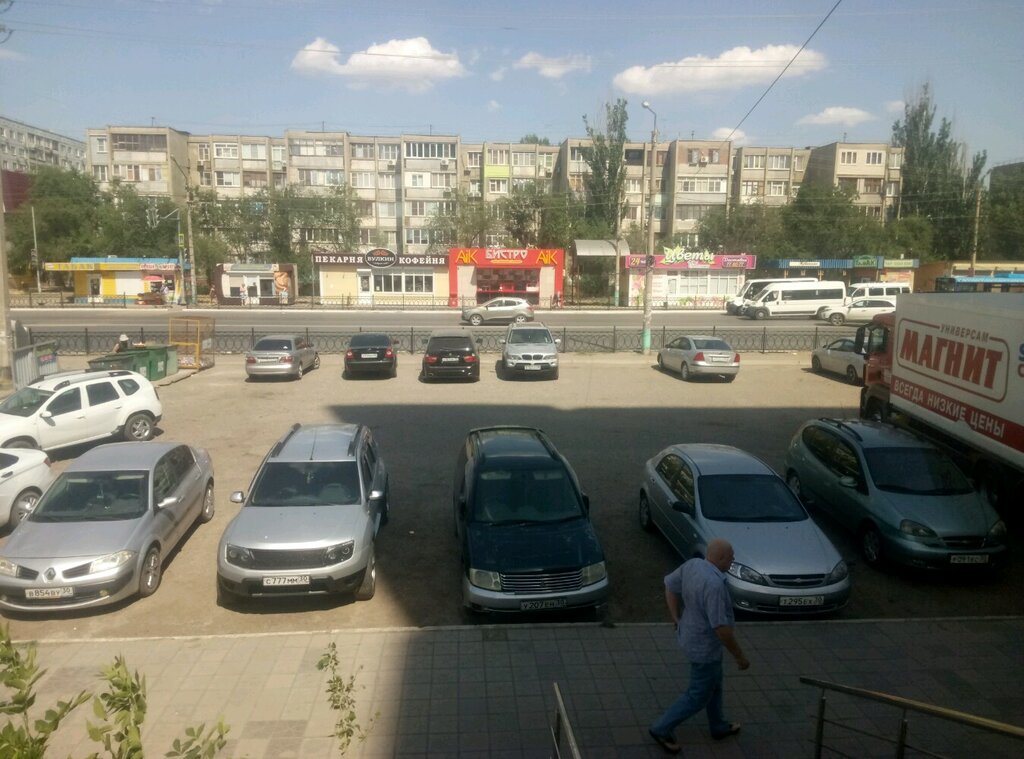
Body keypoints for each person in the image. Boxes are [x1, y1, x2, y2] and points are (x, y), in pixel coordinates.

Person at [649, 538, 750, 754]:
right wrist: (739, 656)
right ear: (720, 558)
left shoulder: (693, 565)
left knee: (715, 683)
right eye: (731, 557)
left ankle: (718, 725)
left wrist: (676, 617)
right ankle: (661, 728)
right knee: (697, 696)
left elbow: (669, 586)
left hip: (690, 636)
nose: (733, 559)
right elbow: (721, 628)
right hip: (705, 648)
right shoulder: (714, 585)